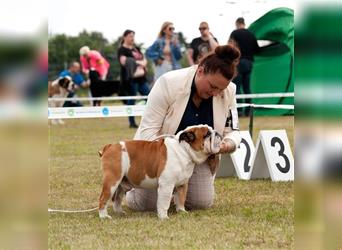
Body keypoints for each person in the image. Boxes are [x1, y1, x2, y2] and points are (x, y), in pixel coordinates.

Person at [125, 45, 242, 211]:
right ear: (200, 71)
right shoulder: (168, 83)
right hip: (158, 156)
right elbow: (147, 131)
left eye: (221, 89)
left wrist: (226, 145)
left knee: (201, 203)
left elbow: (234, 131)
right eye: (212, 86)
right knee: (146, 205)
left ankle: (173, 193)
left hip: (196, 157)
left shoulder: (229, 91)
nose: (216, 93)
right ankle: (132, 188)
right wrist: (168, 160)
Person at [117, 30, 151, 128]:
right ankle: (132, 122)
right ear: (125, 37)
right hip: (131, 79)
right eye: (131, 36)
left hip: (142, 78)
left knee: (149, 97)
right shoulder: (122, 50)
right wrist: (140, 63)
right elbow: (124, 63)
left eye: (133, 36)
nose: (133, 38)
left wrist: (142, 62)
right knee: (131, 99)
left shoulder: (136, 48)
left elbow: (144, 59)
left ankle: (149, 120)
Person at [228, 17, 259, 116]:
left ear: (237, 24)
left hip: (238, 63)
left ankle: (239, 111)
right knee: (247, 88)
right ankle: (249, 111)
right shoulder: (251, 35)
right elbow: (257, 49)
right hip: (249, 63)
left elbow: (230, 46)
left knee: (236, 87)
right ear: (244, 24)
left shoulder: (235, 33)